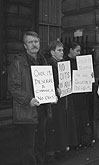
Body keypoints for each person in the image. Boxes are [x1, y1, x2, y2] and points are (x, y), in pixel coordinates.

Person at [8, 31, 50, 165]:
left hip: (42, 109)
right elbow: (13, 87)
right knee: (27, 146)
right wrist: (28, 99)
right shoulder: (18, 62)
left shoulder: (43, 60)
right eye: (30, 42)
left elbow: (48, 82)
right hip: (26, 110)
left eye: (36, 41)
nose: (34, 45)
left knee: (41, 142)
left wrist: (55, 90)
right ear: (25, 46)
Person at [46, 40, 78, 158]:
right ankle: (55, 149)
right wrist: (55, 89)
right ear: (52, 52)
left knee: (63, 123)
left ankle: (63, 146)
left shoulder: (63, 63)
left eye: (62, 50)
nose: (62, 52)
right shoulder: (49, 64)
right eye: (59, 50)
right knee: (57, 124)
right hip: (55, 101)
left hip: (65, 98)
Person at [64, 42, 94, 148]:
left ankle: (84, 140)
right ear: (71, 50)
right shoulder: (65, 62)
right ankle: (74, 142)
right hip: (72, 95)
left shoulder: (81, 62)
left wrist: (90, 75)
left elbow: (86, 75)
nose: (79, 53)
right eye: (77, 50)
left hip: (81, 94)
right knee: (74, 118)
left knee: (83, 118)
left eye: (80, 51)